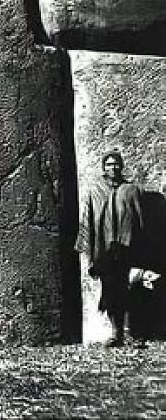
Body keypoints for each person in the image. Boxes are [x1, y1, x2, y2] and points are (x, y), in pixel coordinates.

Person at [75, 149, 145, 347]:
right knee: (110, 290)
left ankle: (131, 332)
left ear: (121, 166)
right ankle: (116, 334)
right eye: (108, 164)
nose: (112, 167)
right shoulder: (95, 191)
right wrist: (90, 253)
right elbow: (88, 220)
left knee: (130, 287)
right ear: (103, 167)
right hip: (105, 250)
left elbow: (139, 220)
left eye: (116, 164)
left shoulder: (131, 190)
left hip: (127, 248)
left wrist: (140, 248)